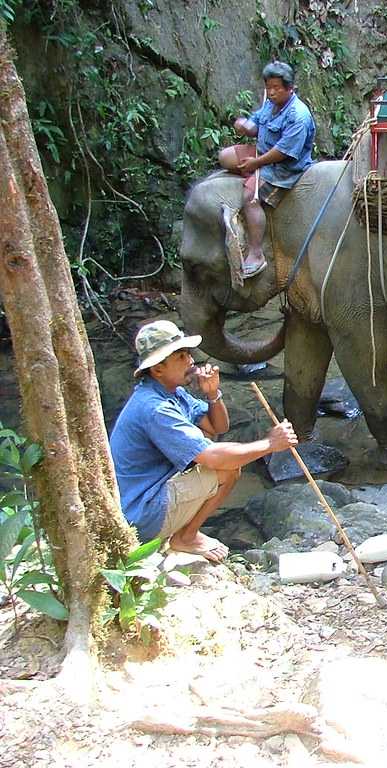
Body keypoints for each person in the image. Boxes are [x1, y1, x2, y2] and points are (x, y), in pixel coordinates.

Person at [110, 320, 298, 562]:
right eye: (180, 356)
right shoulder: (154, 408)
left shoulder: (172, 392)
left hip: (152, 499)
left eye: (188, 354)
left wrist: (212, 394)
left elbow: (217, 426)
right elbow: (211, 456)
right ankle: (185, 538)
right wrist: (269, 444)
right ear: (157, 369)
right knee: (226, 468)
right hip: (142, 515)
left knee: (225, 462)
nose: (190, 361)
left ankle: (184, 534)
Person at [218, 61, 316, 279]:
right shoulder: (270, 104)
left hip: (284, 167)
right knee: (224, 157)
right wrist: (245, 125)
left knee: (249, 198)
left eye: (276, 88)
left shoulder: (298, 115)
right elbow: (256, 126)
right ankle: (250, 172)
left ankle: (256, 253)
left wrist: (256, 164)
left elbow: (284, 151)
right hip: (262, 153)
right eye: (268, 87)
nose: (271, 93)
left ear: (290, 89)